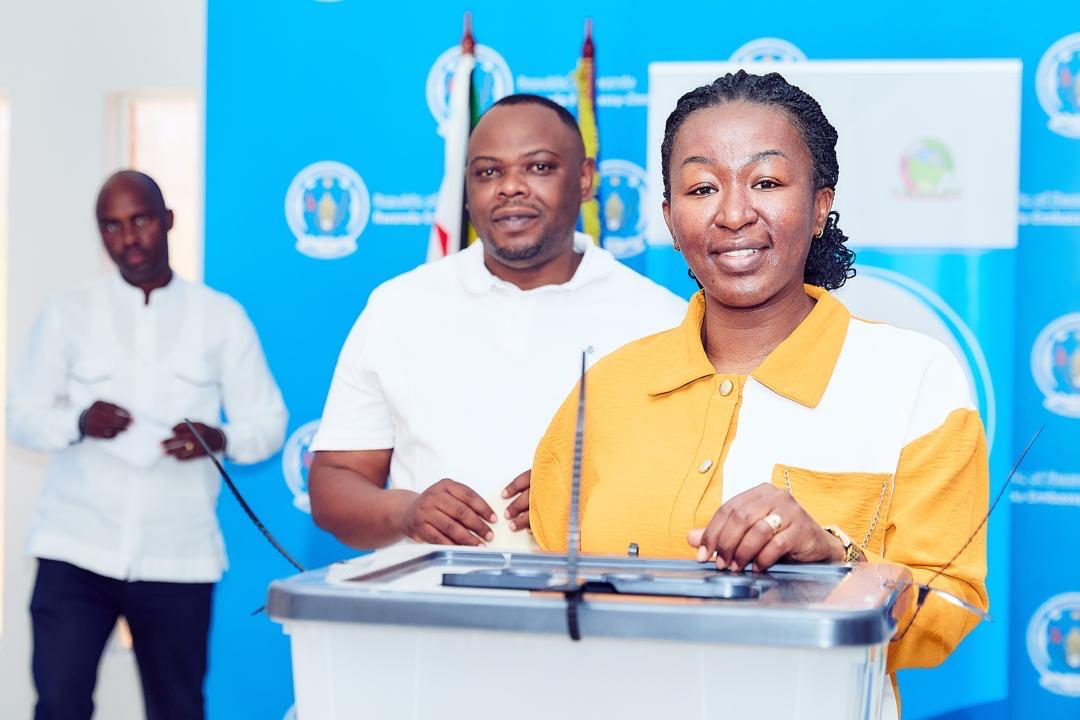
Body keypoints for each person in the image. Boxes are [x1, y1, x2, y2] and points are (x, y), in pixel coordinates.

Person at [528, 71, 988, 716]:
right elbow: (550, 583)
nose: (734, 213)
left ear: (821, 205)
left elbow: (950, 607)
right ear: (670, 218)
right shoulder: (607, 386)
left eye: (767, 182)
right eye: (701, 188)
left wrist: (831, 558)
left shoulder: (914, 377)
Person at [308, 94, 686, 550]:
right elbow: (335, 481)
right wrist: (405, 512)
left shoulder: (662, 318)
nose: (510, 187)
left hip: (594, 593)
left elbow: (701, 489)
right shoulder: (398, 306)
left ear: (585, 179)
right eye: (488, 172)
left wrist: (606, 498)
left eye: (539, 167)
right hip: (426, 592)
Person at [8, 171, 288, 720]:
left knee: (177, 710)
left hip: (178, 558)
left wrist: (218, 437)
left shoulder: (220, 317)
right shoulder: (68, 312)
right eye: (112, 226)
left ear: (168, 221)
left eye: (140, 220)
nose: (129, 238)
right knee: (59, 706)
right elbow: (22, 418)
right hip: (75, 551)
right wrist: (79, 421)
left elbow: (269, 424)